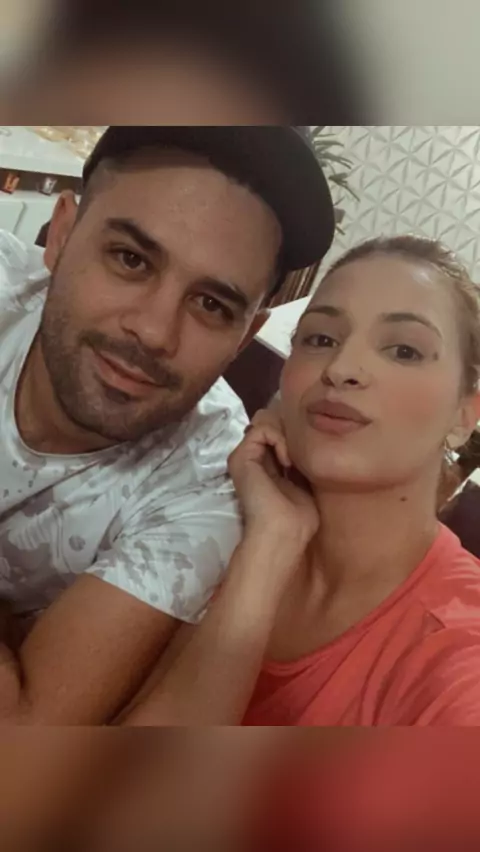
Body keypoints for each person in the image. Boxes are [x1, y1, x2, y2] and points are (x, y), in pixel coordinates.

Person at [0, 125, 335, 726]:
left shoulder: (208, 482)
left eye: (211, 304)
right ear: (62, 233)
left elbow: (24, 735)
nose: (155, 332)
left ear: (244, 337)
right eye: (131, 260)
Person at [124, 235, 480, 727]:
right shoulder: (217, 522)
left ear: (465, 414)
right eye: (320, 339)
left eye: (403, 350)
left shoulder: (458, 658)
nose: (341, 369)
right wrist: (270, 543)